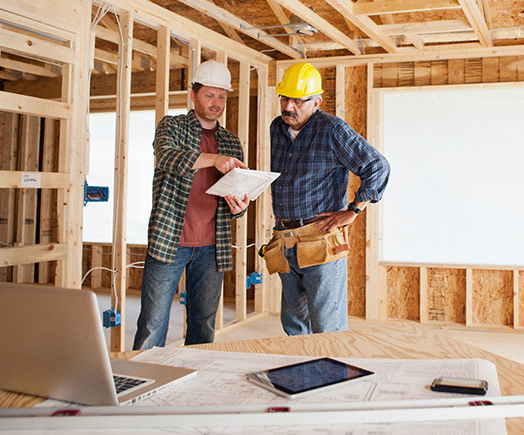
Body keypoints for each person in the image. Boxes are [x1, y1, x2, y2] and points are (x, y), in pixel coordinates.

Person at [264, 62, 390, 336]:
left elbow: (377, 166)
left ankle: (333, 373)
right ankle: (300, 374)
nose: (289, 107)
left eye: (298, 101)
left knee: (326, 324)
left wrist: (354, 209)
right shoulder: (277, 128)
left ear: (316, 102)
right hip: (285, 237)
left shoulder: (331, 129)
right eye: (285, 98)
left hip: (320, 237)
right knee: (293, 321)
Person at [133, 60, 250, 349]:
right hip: (170, 241)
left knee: (203, 325)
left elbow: (236, 194)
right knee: (153, 322)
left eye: (222, 96)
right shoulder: (171, 126)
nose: (216, 103)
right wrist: (213, 159)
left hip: (212, 247)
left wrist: (240, 207)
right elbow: (167, 158)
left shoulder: (231, 142)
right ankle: (140, 379)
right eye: (209, 95)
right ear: (193, 95)